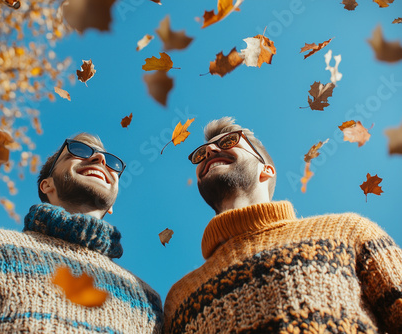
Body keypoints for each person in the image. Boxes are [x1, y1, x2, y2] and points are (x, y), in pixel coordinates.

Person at [164, 117, 402, 334]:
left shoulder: (349, 232)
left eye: (228, 141)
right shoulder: (178, 299)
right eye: (200, 154)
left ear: (266, 170)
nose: (210, 150)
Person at [0, 133, 163, 333]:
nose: (99, 159)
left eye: (111, 162)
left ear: (111, 206)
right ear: (47, 185)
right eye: (80, 151)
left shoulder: (147, 299)